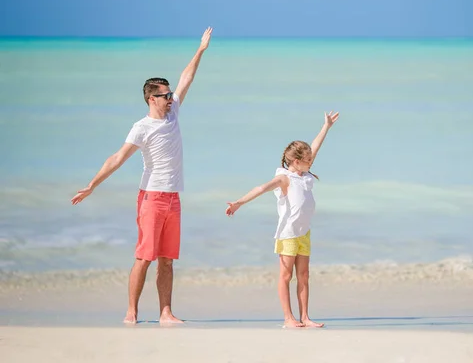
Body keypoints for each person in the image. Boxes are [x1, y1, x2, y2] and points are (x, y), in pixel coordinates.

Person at [70, 27, 213, 324]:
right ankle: (131, 312)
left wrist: (200, 50)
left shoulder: (174, 114)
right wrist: (92, 185)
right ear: (151, 98)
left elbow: (188, 78)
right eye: (165, 95)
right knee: (144, 256)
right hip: (151, 198)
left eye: (171, 93)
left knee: (167, 260)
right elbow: (118, 157)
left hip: (174, 198)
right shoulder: (141, 127)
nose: (171, 98)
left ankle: (165, 313)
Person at [225, 111, 340, 328]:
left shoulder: (303, 173)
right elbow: (261, 188)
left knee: (304, 275)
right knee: (286, 275)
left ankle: (305, 317)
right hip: (288, 234)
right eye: (308, 160)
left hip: (304, 232)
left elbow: (315, 147)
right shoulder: (284, 178)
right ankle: (289, 318)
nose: (311, 161)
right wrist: (239, 202)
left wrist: (326, 127)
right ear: (296, 161)